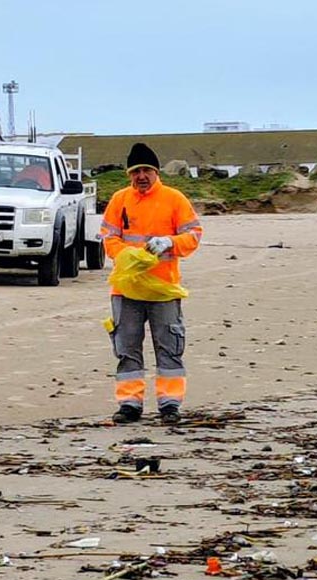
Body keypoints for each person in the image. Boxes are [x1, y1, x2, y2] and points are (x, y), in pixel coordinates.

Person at [100, 143, 203, 423]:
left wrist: (169, 242)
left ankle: (169, 404)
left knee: (169, 347)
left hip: (163, 289)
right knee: (127, 348)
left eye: (146, 170)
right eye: (136, 171)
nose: (141, 176)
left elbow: (194, 235)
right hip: (127, 289)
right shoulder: (120, 200)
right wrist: (128, 255)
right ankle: (129, 404)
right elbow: (108, 237)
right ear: (129, 175)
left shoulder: (174, 199)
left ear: (156, 172)